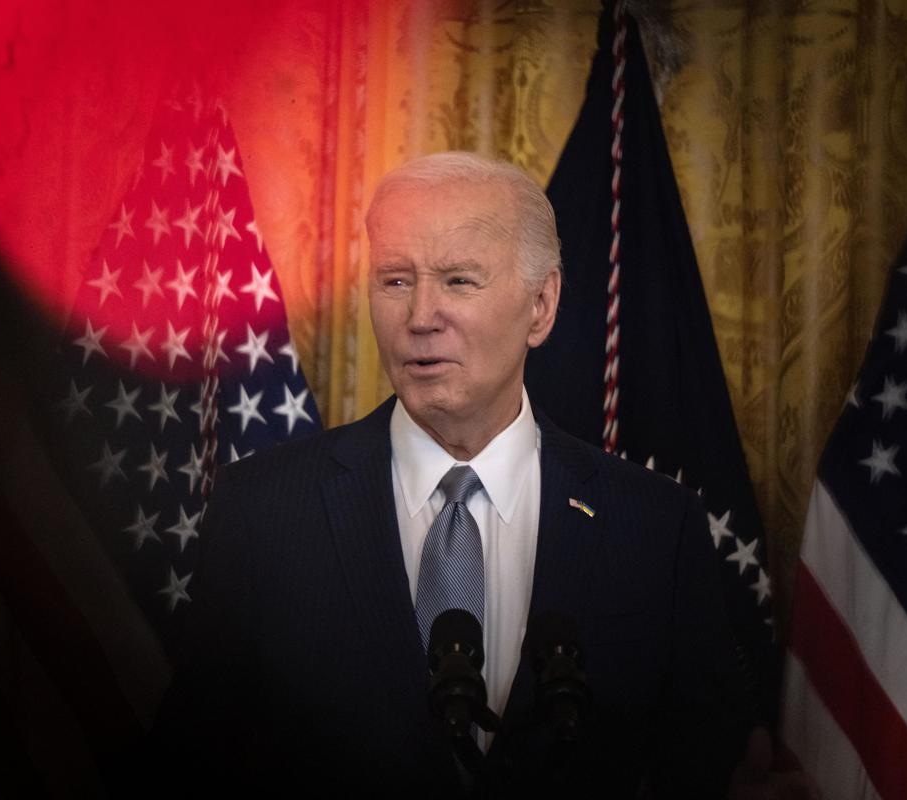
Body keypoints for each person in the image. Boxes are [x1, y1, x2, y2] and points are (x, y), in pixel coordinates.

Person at [150, 152, 806, 798]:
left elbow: (704, 768)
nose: (420, 317)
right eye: (396, 280)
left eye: (459, 281)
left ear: (541, 306)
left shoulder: (657, 527)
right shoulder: (263, 510)